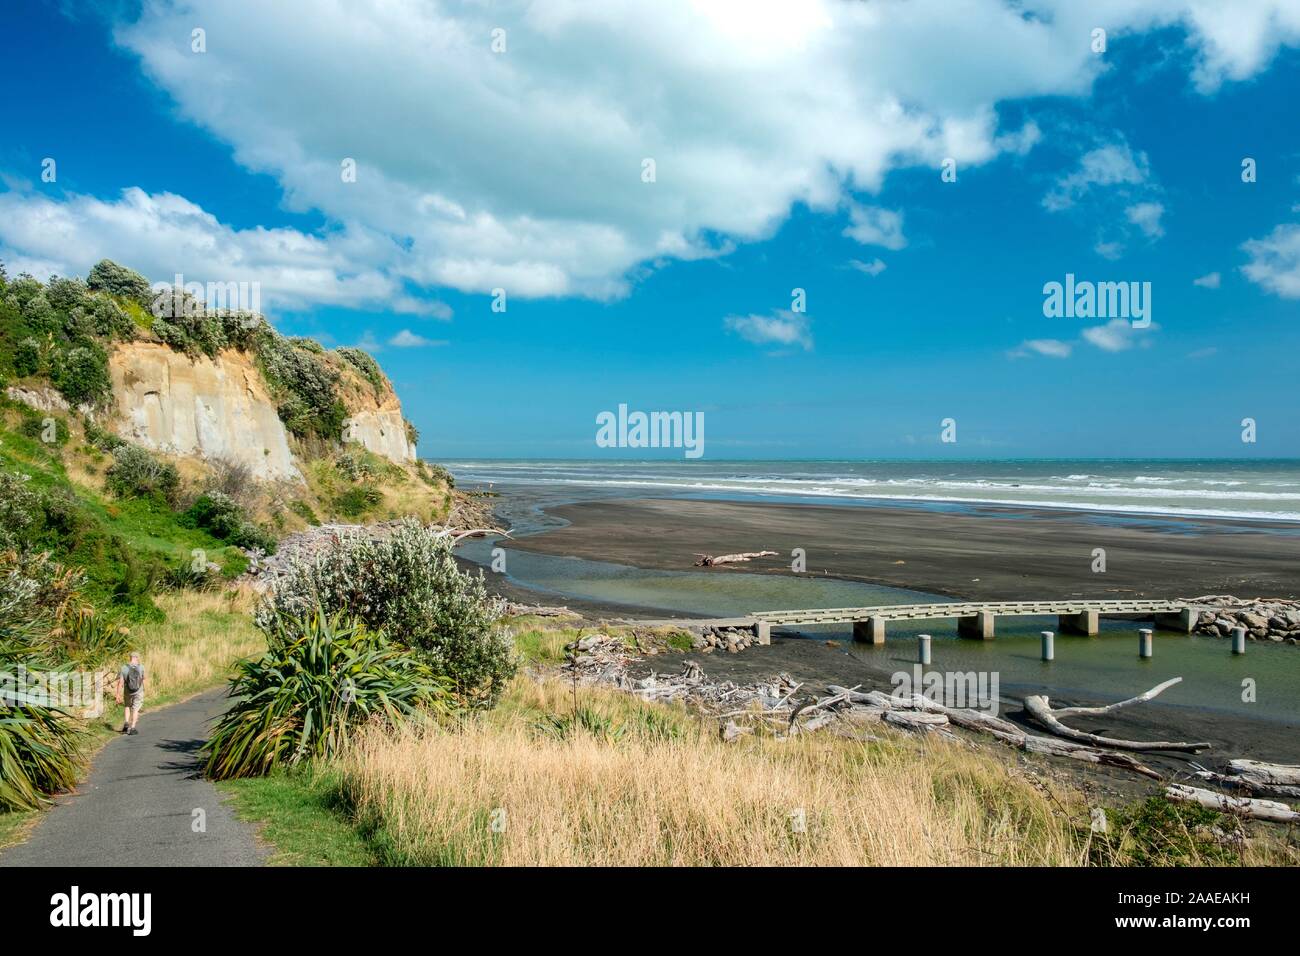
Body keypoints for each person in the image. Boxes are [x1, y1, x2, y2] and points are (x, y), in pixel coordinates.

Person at [115, 652, 146, 735]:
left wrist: (118, 694)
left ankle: (126, 723)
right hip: (138, 691)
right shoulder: (141, 667)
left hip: (127, 691)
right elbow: (144, 679)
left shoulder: (124, 668)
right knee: (135, 709)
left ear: (130, 657)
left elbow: (120, 682)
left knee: (127, 706)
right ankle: (132, 728)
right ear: (137, 658)